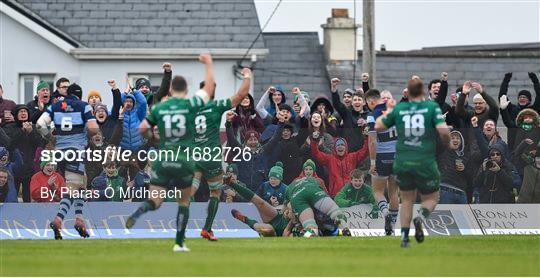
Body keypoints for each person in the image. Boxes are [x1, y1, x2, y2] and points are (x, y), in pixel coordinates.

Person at [125, 54, 215, 252]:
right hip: (183, 159)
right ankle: (179, 243)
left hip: (163, 158)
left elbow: (142, 129)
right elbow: (209, 88)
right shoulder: (190, 104)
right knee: (184, 201)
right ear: (186, 91)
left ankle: (143, 208)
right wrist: (208, 64)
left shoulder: (160, 107)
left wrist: (155, 138)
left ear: (172, 90)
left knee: (156, 199)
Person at [375, 78, 450, 248]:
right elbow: (444, 132)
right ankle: (421, 217)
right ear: (423, 91)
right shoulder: (431, 108)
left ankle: (404, 237)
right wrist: (448, 141)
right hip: (425, 160)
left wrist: (389, 111)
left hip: (403, 161)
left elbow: (379, 126)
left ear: (407, 92)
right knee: (431, 197)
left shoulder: (400, 108)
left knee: (407, 199)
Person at [189, 66, 252, 241]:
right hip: (211, 156)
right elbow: (240, 96)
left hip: (195, 155)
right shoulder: (216, 106)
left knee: (192, 187)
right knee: (215, 193)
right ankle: (207, 229)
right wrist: (247, 76)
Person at [36, 83, 99, 239]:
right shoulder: (83, 106)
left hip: (60, 152)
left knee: (82, 182)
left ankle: (79, 218)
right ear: (79, 95)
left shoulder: (56, 106)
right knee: (73, 186)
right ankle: (59, 219)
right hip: (75, 150)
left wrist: (51, 137)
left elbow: (39, 124)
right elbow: (93, 129)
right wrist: (88, 132)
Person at [365, 88, 399, 235]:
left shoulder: (372, 116)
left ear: (371, 101)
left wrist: (372, 162)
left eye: (368, 103)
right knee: (394, 193)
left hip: (382, 157)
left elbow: (372, 142)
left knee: (378, 191)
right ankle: (391, 227)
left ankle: (386, 214)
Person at [284, 176, 349, 237]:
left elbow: (287, 206)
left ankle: (308, 233)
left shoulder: (289, 188)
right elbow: (324, 191)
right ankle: (343, 227)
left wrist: (288, 212)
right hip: (313, 190)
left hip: (297, 197)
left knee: (310, 225)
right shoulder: (312, 179)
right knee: (336, 212)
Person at [499, 72, 540, 149]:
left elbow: (539, 95)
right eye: (520, 97)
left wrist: (535, 80)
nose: (522, 98)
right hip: (513, 145)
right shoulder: (512, 109)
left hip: (529, 147)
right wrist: (506, 80)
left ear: (529, 100)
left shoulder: (533, 110)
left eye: (524, 97)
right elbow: (502, 96)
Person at [437, 130, 469, 204]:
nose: (455, 140)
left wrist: (464, 169)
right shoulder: (442, 152)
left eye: (458, 138)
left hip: (461, 193)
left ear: (461, 142)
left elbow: (470, 176)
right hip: (445, 191)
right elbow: (437, 142)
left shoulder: (465, 156)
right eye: (452, 138)